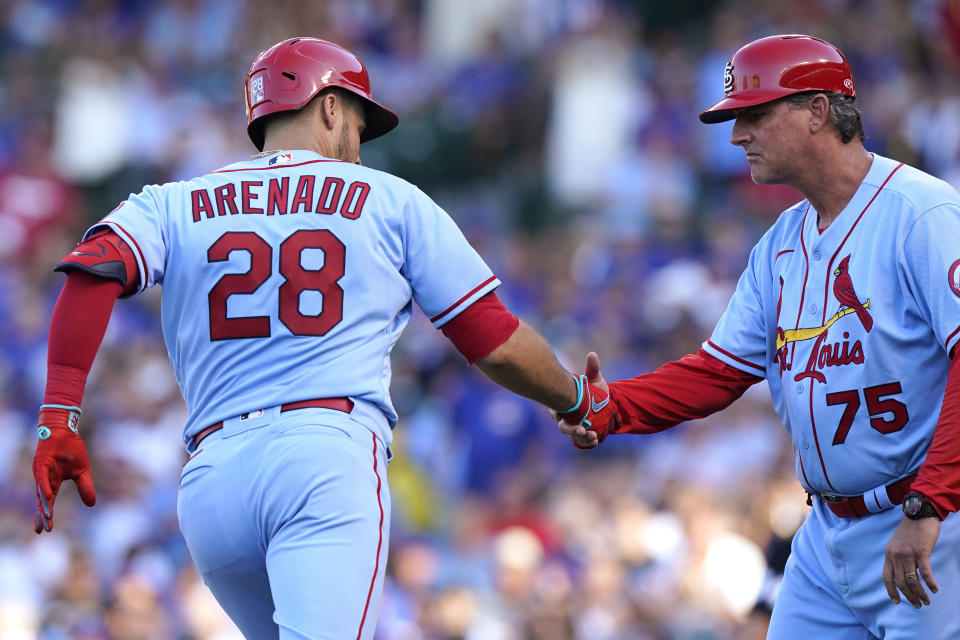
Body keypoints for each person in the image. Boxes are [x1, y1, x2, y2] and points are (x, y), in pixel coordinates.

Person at [31, 37, 617, 639]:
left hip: (212, 483)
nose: (359, 144)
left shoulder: (173, 202)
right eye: (359, 122)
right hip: (323, 459)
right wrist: (573, 397)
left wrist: (58, 412)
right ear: (331, 107)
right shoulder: (390, 199)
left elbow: (92, 271)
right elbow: (492, 340)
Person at [560, 34, 960, 639]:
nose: (736, 134)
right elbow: (717, 371)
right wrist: (613, 406)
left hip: (928, 521)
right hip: (826, 533)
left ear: (817, 112)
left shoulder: (922, 214)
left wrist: (930, 504)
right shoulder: (780, 243)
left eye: (754, 115)